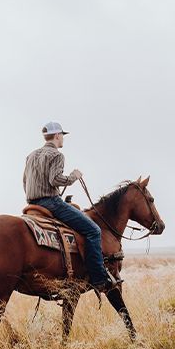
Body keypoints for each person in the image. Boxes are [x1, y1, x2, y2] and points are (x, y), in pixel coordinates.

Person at [23, 122, 114, 292]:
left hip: (32, 204)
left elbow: (25, 181)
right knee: (93, 230)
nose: (63, 138)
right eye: (62, 135)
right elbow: (55, 180)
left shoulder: (31, 155)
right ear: (57, 136)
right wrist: (73, 176)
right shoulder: (57, 155)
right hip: (51, 202)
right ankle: (99, 278)